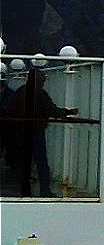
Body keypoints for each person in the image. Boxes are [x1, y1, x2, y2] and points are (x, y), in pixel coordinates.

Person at [3, 68, 76, 197]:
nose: (43, 82)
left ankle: (25, 190)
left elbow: (10, 109)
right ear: (37, 80)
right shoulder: (40, 94)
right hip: (35, 133)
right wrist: (67, 112)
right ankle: (44, 190)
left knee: (24, 162)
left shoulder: (20, 92)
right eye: (42, 79)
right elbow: (51, 110)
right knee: (41, 162)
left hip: (21, 133)